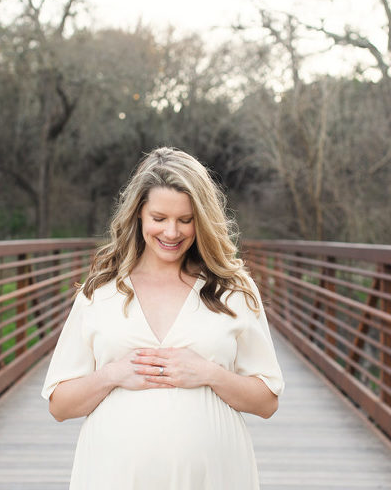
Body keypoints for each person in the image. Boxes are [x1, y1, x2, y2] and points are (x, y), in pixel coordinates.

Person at [41, 147, 284, 489]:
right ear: (138, 215)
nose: (172, 233)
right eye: (159, 218)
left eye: (186, 220)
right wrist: (113, 374)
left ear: (202, 219)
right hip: (114, 475)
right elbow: (59, 406)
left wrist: (209, 373)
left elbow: (267, 402)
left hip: (213, 477)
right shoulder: (101, 290)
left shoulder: (233, 288)